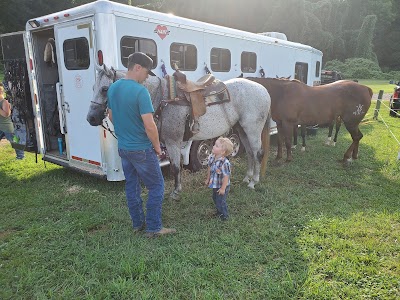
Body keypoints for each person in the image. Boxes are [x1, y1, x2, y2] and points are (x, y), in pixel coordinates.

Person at [107, 52, 176, 237]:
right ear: (137, 67)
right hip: (141, 148)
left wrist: (125, 131)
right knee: (156, 186)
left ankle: (138, 224)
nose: (147, 77)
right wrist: (157, 147)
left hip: (123, 147)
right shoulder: (140, 91)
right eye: (146, 72)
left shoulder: (113, 88)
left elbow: (111, 115)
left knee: (132, 185)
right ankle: (154, 228)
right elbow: (150, 125)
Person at [205, 137, 234, 221]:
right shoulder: (212, 157)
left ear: (222, 151)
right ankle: (219, 212)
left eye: (216, 146)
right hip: (215, 184)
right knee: (215, 198)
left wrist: (223, 188)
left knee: (221, 201)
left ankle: (224, 217)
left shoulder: (225, 163)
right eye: (214, 145)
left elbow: (226, 176)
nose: (213, 146)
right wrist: (208, 178)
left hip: (222, 186)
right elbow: (209, 168)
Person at [0, 83, 24, 160]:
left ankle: (20, 156)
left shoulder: (4, 102)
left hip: (6, 126)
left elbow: (6, 114)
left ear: (1, 92)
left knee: (14, 141)